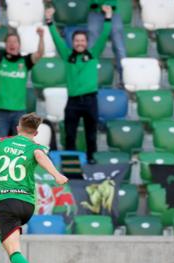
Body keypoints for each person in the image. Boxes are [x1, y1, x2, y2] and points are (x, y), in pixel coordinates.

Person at [0, 113, 68, 263]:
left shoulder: (1, 142)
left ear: (17, 128)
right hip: (27, 205)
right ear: (35, 133)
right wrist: (56, 175)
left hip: (8, 202)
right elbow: (39, 156)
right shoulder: (36, 147)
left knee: (14, 251)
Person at [46, 6, 113, 163]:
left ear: (87, 42)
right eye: (77, 41)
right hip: (73, 101)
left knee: (91, 134)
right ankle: (71, 160)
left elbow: (104, 35)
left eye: (82, 41)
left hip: (90, 101)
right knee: (70, 133)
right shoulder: (67, 55)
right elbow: (56, 38)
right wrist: (49, 21)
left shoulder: (93, 54)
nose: (79, 43)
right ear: (72, 42)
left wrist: (108, 17)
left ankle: (91, 160)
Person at [0, 22, 44, 138]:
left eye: (15, 42)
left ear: (19, 45)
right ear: (5, 44)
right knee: (0, 146)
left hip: (19, 112)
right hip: (0, 111)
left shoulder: (25, 61)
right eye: (9, 42)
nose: (12, 44)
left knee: (17, 146)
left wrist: (41, 37)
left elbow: (40, 53)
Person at [88, 0, 126, 85]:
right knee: (92, 48)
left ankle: (124, 79)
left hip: (113, 12)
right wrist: (101, 4)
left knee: (120, 48)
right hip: (95, 12)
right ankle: (89, 78)